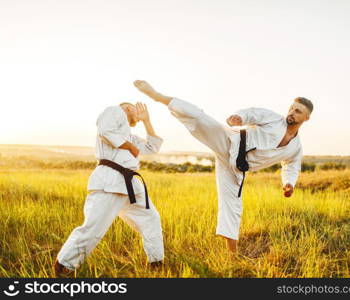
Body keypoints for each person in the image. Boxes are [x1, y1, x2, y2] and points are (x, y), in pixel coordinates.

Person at [133, 80, 313, 253]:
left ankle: (231, 255)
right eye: (291, 108)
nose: (291, 112)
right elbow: (252, 113)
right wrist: (239, 117)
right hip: (229, 141)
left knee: (233, 208)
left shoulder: (296, 148)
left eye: (297, 111)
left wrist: (289, 183)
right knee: (199, 118)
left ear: (306, 117)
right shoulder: (274, 119)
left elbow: (291, 166)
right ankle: (157, 95)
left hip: (236, 168)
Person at [54, 102, 164, 277]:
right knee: (94, 227)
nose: (138, 109)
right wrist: (130, 147)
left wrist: (147, 121)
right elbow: (105, 131)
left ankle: (156, 263)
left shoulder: (130, 136)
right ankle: (64, 266)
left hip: (131, 185)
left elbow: (152, 148)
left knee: (151, 219)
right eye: (134, 107)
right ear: (126, 108)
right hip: (110, 180)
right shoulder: (114, 111)